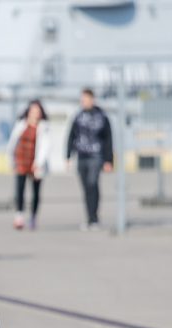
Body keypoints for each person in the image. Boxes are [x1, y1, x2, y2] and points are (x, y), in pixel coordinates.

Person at [66, 88, 113, 230]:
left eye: (86, 99)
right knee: (86, 187)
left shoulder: (101, 117)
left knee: (93, 185)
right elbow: (71, 136)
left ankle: (94, 218)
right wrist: (68, 155)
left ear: (92, 99)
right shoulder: (78, 116)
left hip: (96, 156)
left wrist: (108, 160)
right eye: (82, 100)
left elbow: (108, 139)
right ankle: (89, 218)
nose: (84, 102)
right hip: (81, 156)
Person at [8, 99, 50, 230]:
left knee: (35, 191)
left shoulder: (44, 127)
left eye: (37, 111)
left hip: (36, 162)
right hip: (21, 160)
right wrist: (11, 159)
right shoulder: (21, 124)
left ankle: (33, 216)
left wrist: (39, 162)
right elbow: (13, 143)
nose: (35, 113)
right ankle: (19, 216)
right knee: (19, 189)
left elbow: (46, 146)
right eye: (33, 111)